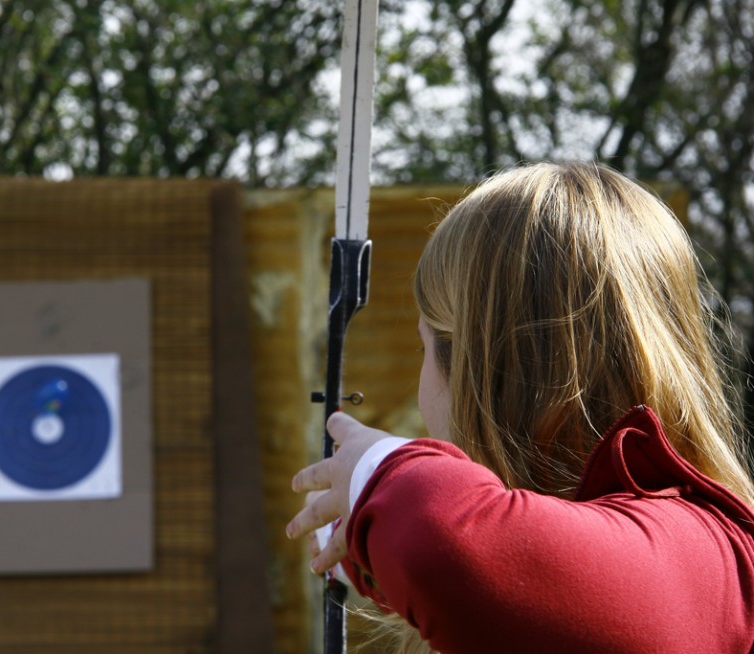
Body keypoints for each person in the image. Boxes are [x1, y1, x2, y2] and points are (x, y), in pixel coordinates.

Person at [285, 161, 754, 653]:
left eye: (427, 348)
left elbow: (445, 544)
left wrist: (373, 475)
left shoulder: (697, 554)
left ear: (486, 378)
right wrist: (375, 546)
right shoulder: (690, 548)